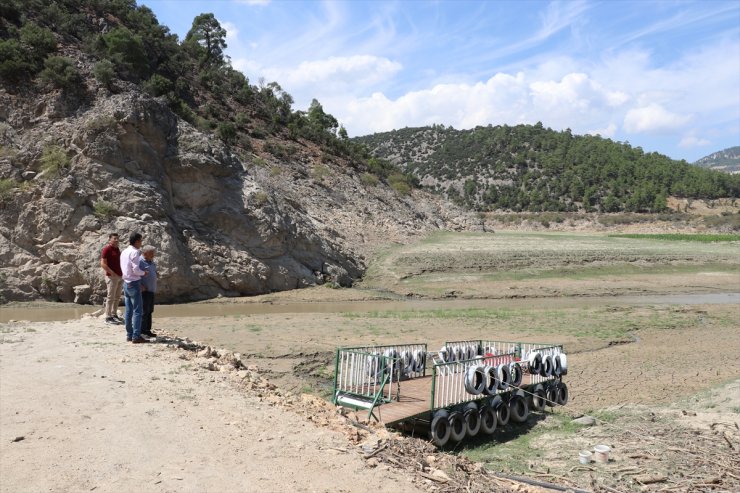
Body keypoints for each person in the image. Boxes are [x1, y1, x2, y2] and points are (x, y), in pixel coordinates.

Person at [119, 232, 148, 344]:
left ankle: (129, 334)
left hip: (126, 282)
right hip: (134, 283)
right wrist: (144, 273)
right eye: (140, 241)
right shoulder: (135, 252)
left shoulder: (124, 251)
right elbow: (136, 270)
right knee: (138, 311)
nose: (141, 243)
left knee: (129, 310)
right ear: (136, 241)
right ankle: (136, 336)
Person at [100, 233, 123, 325]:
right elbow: (103, 263)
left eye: (117, 238)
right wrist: (112, 272)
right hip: (111, 276)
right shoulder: (107, 249)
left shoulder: (117, 249)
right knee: (110, 297)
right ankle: (108, 316)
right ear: (110, 240)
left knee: (117, 297)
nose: (116, 240)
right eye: (114, 238)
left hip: (120, 276)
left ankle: (114, 314)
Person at [139, 245, 158, 338]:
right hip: (144, 291)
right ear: (145, 253)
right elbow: (134, 274)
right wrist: (140, 285)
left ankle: (147, 330)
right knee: (144, 311)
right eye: (151, 254)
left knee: (150, 311)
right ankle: (142, 331)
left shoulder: (151, 262)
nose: (153, 255)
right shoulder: (140, 261)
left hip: (151, 290)